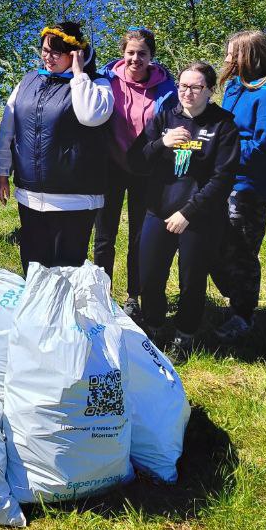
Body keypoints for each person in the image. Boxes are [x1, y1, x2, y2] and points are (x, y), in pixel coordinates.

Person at [128, 61, 239, 363]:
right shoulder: (165, 117)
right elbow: (136, 161)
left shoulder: (223, 125)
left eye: (195, 87)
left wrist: (188, 212)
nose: (187, 92)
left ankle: (184, 334)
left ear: (210, 90)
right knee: (150, 276)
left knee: (192, 280)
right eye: (182, 86)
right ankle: (153, 327)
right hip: (158, 211)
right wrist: (160, 143)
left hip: (198, 217)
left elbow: (223, 178)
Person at [0, 21, 113, 271]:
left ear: (76, 53)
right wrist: (3, 172)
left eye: (56, 52)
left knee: (66, 271)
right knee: (34, 269)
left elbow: (91, 116)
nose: (48, 58)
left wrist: (80, 75)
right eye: (45, 50)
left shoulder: (97, 84)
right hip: (31, 195)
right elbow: (8, 130)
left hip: (74, 199)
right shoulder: (28, 82)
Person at [209, 31, 266, 342]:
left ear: (250, 58)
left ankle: (243, 315)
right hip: (223, 180)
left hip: (249, 186)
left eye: (233, 54)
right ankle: (235, 296)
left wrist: (222, 153)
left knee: (241, 251)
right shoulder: (233, 88)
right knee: (215, 243)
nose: (227, 59)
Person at [93, 28, 177, 316]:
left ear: (152, 56)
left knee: (139, 237)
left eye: (142, 53)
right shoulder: (106, 80)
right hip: (110, 167)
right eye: (130, 52)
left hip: (148, 171)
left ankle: (133, 297)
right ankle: (100, 295)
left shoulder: (167, 88)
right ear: (122, 53)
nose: (135, 58)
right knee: (104, 236)